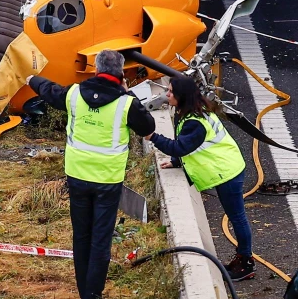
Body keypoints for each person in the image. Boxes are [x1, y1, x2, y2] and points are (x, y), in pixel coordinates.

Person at [26, 50, 155, 299]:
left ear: (96, 70)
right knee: (101, 238)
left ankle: (84, 291)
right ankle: (93, 293)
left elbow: (50, 91)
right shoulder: (126, 103)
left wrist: (31, 79)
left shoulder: (74, 94)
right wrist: (127, 92)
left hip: (77, 176)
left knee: (81, 236)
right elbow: (148, 126)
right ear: (120, 74)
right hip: (108, 180)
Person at [145, 75, 254, 281]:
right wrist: (177, 161)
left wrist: (153, 137)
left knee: (237, 218)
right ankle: (242, 259)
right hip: (227, 168)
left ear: (181, 96)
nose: (166, 94)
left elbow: (180, 146)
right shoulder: (190, 113)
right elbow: (185, 144)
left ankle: (246, 263)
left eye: (170, 92)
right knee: (236, 217)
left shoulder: (195, 123)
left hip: (227, 173)